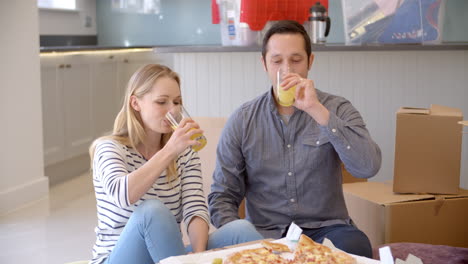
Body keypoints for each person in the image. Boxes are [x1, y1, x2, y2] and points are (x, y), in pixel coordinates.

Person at [208, 20, 382, 258]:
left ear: (310, 62)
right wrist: (238, 236)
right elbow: (222, 194)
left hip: (327, 230)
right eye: (277, 61)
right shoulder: (242, 120)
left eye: (296, 60)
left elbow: (367, 167)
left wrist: (317, 110)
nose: (287, 70)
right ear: (264, 64)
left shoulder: (336, 108)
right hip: (263, 235)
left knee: (356, 246)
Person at [89, 64, 263, 264]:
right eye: (161, 102)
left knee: (241, 230)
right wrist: (169, 150)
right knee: (152, 211)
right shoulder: (109, 148)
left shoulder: (184, 153)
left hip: (166, 257)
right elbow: (123, 195)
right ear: (135, 103)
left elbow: (195, 208)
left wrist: (199, 255)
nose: (173, 110)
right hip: (118, 259)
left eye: (177, 102)